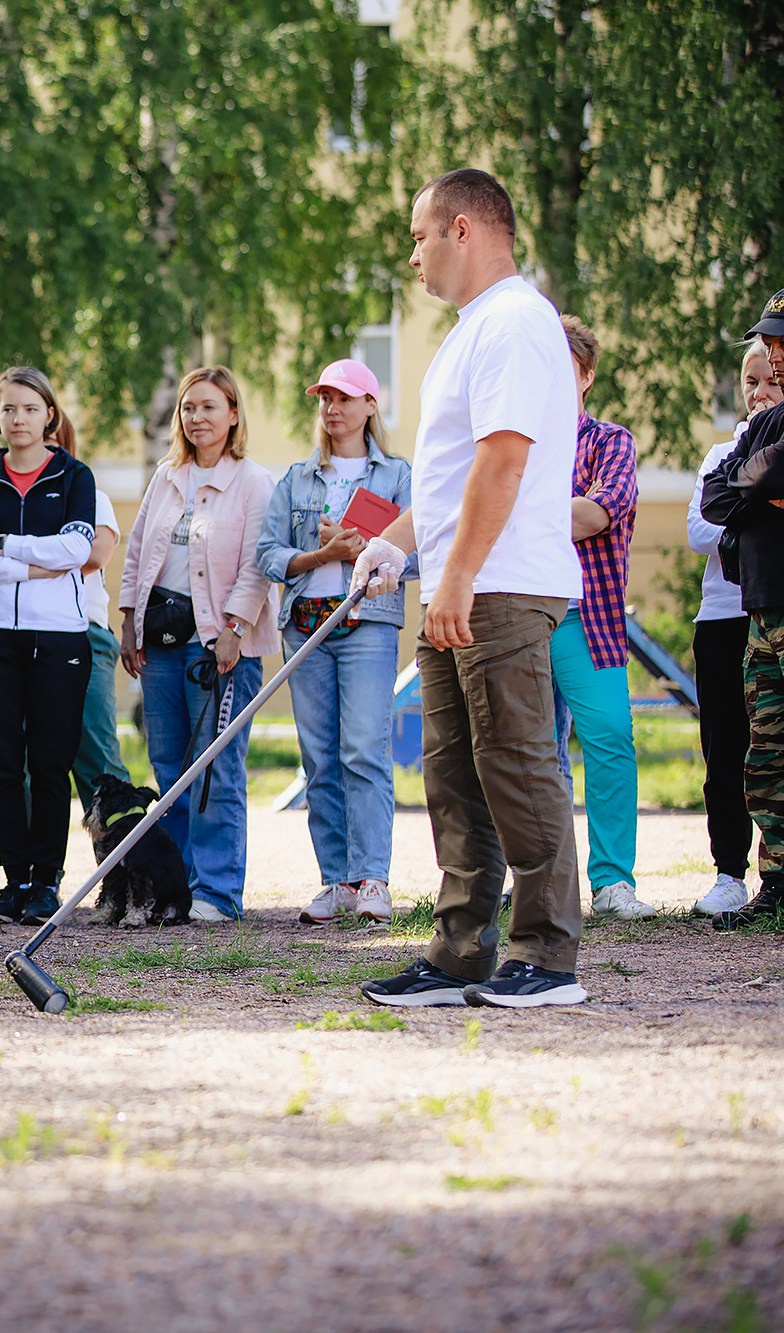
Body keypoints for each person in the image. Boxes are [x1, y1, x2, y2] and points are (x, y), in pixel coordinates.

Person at [353, 168, 588, 1007]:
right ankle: (461, 952)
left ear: (462, 230)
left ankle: (548, 956)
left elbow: (505, 459)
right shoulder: (469, 331)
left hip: (501, 586)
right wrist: (393, 542)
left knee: (519, 764)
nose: (411, 255)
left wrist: (455, 577)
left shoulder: (519, 323)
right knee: (454, 774)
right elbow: (450, 479)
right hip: (460, 584)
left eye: (418, 236)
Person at [117, 366, 278, 923]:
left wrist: (235, 627)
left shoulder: (255, 481)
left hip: (220, 645)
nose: (197, 417)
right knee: (168, 767)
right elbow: (137, 551)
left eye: (209, 406)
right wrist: (128, 620)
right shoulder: (167, 476)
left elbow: (260, 561)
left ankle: (218, 891)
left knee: (215, 769)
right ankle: (178, 887)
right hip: (161, 638)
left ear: (233, 413)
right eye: (189, 407)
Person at [255, 358, 411, 926]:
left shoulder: (397, 476)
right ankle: (336, 880)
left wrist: (367, 546)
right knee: (319, 757)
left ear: (371, 405)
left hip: (367, 621)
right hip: (306, 626)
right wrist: (324, 554)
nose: (332, 408)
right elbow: (267, 554)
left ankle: (373, 878)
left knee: (363, 748)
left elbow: (419, 550)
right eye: (324, 397)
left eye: (344, 397)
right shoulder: (297, 478)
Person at [0, 367, 97, 927]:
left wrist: (8, 546)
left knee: (50, 762)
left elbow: (78, 548)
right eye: (8, 409)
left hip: (58, 633)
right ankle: (14, 880)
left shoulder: (74, 474)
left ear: (49, 416)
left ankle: (45, 881)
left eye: (29, 409)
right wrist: (33, 566)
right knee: (2, 763)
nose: (18, 419)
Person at [550, 315, 651, 920]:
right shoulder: (513, 446)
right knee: (528, 752)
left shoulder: (610, 442)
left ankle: (613, 882)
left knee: (610, 738)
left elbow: (598, 514)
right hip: (520, 613)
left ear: (586, 375)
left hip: (588, 616)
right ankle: (540, 880)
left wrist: (521, 511)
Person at [686, 343, 784, 918]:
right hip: (740, 611)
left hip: (766, 601)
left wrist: (744, 492)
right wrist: (759, 497)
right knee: (748, 754)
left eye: (769, 373)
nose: (761, 386)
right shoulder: (741, 440)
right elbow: (711, 513)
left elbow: (731, 497)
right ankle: (753, 878)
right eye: (751, 377)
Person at [52, 410, 131, 811]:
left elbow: (96, 554)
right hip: (22, 637)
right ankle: (33, 873)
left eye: (51, 439)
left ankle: (129, 864)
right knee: (30, 765)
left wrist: (15, 556)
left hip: (85, 633)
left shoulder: (90, 496)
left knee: (98, 757)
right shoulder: (1, 498)